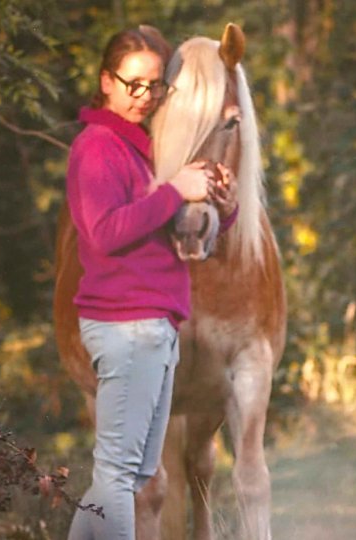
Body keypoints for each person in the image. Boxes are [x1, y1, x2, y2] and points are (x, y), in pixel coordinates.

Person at [64, 25, 236, 540]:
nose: (144, 97)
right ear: (106, 81)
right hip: (125, 326)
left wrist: (222, 214)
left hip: (154, 325)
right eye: (132, 83)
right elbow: (103, 231)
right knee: (119, 475)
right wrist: (175, 190)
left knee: (132, 474)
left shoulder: (139, 151)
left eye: (154, 86)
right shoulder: (97, 147)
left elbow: (168, 234)